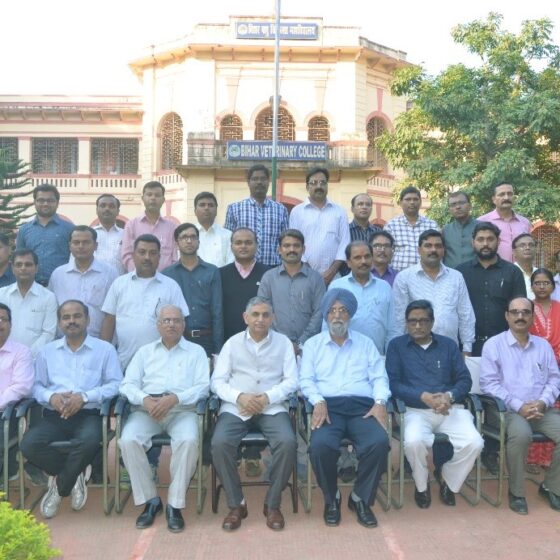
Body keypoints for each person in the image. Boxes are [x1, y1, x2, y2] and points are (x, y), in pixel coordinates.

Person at [20, 300, 122, 519]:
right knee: (28, 444)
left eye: (77, 316)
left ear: (87, 319)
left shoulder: (104, 349)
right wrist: (52, 397)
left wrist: (84, 397)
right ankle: (74, 474)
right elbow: (35, 386)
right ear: (59, 323)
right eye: (66, 317)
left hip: (89, 414)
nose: (71, 321)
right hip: (54, 414)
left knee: (89, 441)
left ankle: (59, 486)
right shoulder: (47, 352)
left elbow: (115, 384)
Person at [300, 289, 390, 528]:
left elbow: (379, 378)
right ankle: (332, 498)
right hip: (328, 407)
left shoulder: (366, 343)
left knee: (379, 443)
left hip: (362, 408)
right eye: (332, 311)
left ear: (350, 315)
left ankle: (360, 498)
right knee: (320, 447)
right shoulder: (313, 345)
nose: (337, 316)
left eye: (342, 311)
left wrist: (380, 402)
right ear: (325, 316)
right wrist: (318, 400)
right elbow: (306, 380)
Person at [118, 305, 209, 533]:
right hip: (147, 410)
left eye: (176, 320)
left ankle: (174, 505)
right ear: (158, 325)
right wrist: (145, 400)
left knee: (188, 440)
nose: (171, 324)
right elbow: (127, 384)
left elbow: (203, 387)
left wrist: (175, 398)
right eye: (166, 320)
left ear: (184, 325)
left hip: (182, 410)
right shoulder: (144, 352)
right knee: (128, 440)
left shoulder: (196, 352)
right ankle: (151, 501)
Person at [211, 297, 298, 531]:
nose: (260, 319)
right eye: (255, 314)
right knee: (219, 444)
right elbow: (217, 382)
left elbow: (292, 381)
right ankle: (236, 504)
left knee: (288, 442)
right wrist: (240, 396)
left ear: (273, 318)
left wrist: (267, 397)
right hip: (237, 408)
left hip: (272, 407)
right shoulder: (232, 343)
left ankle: (272, 504)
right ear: (245, 317)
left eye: (265, 315)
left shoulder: (283, 343)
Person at [386, 300, 483, 508]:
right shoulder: (396, 346)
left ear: (432, 322)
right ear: (406, 323)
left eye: (423, 321)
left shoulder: (448, 345)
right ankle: (422, 485)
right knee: (413, 442)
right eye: (412, 321)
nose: (417, 326)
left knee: (475, 443)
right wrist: (422, 396)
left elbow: (464, 380)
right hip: (414, 410)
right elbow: (393, 384)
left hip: (450, 409)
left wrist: (449, 396)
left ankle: (448, 479)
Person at [480, 296, 560, 515]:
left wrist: (543, 402)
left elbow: (555, 379)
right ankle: (516, 492)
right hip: (506, 410)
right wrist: (518, 405)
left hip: (540, 409)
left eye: (525, 312)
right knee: (521, 434)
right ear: (507, 316)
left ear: (532, 317)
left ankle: (551, 487)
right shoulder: (494, 345)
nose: (520, 316)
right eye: (515, 312)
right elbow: (488, 384)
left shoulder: (543, 346)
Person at [101, 234, 189, 370]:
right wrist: (103, 359)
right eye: (142, 252)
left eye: (152, 253)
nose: (147, 257)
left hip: (162, 363)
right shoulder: (119, 284)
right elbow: (109, 321)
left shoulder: (171, 286)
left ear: (159, 257)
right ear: (133, 255)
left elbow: (180, 324)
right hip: (124, 362)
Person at [393, 230, 475, 353]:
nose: (433, 250)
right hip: (414, 350)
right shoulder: (404, 278)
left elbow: (466, 314)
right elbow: (398, 318)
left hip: (449, 350)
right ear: (419, 250)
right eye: (428, 246)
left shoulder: (456, 277)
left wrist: (467, 348)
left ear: (443, 250)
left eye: (438, 246)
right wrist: (399, 351)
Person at [457, 222, 527, 357]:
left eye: (490, 239)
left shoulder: (512, 272)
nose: (485, 244)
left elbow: (519, 309)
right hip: (468, 347)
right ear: (473, 242)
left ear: (498, 241)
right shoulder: (460, 272)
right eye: (480, 239)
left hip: (505, 346)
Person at [257, 228, 325, 356]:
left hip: (309, 347)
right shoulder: (269, 278)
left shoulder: (316, 278)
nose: (291, 250)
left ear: (303, 249)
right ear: (279, 249)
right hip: (274, 346)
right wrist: (281, 342)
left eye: (296, 246)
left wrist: (301, 343)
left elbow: (319, 312)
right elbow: (263, 311)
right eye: (287, 246)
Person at [162, 223, 224, 357]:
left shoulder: (212, 272)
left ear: (198, 242)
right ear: (177, 243)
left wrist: (218, 351)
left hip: (206, 341)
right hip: (177, 341)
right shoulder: (167, 274)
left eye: (193, 237)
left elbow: (217, 312)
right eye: (184, 237)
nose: (189, 241)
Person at [328, 241, 397, 355]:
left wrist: (390, 356)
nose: (363, 261)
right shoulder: (337, 286)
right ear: (348, 262)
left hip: (377, 356)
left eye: (367, 256)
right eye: (357, 258)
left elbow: (392, 327)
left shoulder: (384, 287)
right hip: (343, 356)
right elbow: (327, 325)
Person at [49, 226, 119, 338]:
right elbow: (52, 310)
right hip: (63, 341)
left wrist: (104, 344)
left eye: (86, 242)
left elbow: (112, 313)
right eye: (76, 242)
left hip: (98, 341)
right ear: (70, 246)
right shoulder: (58, 274)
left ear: (96, 245)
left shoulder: (110, 273)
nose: (81, 246)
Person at [289, 167, 350, 285]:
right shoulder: (297, 212)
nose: (319, 186)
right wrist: (309, 272)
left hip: (334, 277)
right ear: (307, 187)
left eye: (322, 182)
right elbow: (294, 243)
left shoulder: (339, 211)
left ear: (327, 185)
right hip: (304, 275)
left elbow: (345, 243)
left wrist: (331, 272)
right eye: (314, 182)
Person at [525, 269, 560, 471]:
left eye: (546, 283)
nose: (542, 286)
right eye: (537, 283)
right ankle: (532, 459)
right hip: (533, 367)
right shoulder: (526, 309)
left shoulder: (559, 307)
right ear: (532, 286)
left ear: (553, 286)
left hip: (558, 367)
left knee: (555, 413)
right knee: (536, 408)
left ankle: (550, 459)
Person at [224, 165, 288, 267]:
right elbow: (228, 241)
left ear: (268, 182)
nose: (259, 182)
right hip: (244, 268)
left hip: (273, 267)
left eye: (263, 179)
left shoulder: (280, 210)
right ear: (248, 182)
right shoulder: (234, 209)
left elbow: (285, 241)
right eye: (255, 179)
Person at [0, 250, 57, 357]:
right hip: (4, 358)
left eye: (28, 264)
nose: (23, 268)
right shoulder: (1, 295)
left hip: (36, 359)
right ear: (12, 269)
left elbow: (48, 333)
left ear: (36, 268)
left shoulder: (48, 297)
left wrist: (26, 355)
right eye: (19, 264)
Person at [0, 303, 34, 481]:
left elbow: (22, 386)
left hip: (6, 413)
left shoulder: (21, 352)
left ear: (10, 325)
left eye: (2, 319)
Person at [16, 184, 74, 286]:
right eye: (41, 200)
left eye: (50, 200)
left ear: (57, 203)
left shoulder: (70, 229)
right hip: (31, 285)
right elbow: (19, 258)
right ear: (35, 202)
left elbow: (75, 258)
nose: (45, 204)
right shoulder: (24, 230)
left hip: (61, 285)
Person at [220, 228, 269, 342]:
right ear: (231, 246)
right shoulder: (220, 274)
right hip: (228, 340)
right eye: (238, 243)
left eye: (248, 242)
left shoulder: (268, 274)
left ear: (256, 245)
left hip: (260, 339)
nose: (243, 246)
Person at [121, 181, 177, 272]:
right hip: (138, 278)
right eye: (149, 194)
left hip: (165, 278)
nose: (153, 198)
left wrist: (165, 277)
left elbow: (174, 258)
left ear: (163, 200)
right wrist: (140, 274)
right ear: (143, 198)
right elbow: (126, 255)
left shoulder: (172, 228)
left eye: (157, 195)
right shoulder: (131, 225)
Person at [383, 186, 438, 272]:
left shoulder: (431, 225)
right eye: (408, 199)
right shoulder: (391, 226)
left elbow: (438, 251)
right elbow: (385, 252)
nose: (412, 202)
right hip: (398, 275)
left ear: (420, 202)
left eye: (415, 199)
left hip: (426, 275)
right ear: (401, 203)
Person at [478, 183, 531, 262]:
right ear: (494, 199)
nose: (506, 197)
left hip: (520, 268)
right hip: (494, 268)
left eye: (510, 194)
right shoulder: (482, 221)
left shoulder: (524, 222)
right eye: (501, 194)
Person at [339, 194, 381, 276]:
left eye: (368, 204)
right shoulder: (345, 231)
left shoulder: (378, 232)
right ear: (352, 209)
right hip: (348, 277)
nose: (364, 207)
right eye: (360, 204)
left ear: (371, 209)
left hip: (374, 277)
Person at [194, 191, 234, 267]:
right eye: (202, 205)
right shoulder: (188, 236)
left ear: (216, 211)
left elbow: (230, 263)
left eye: (210, 205)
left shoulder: (228, 235)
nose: (206, 208)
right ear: (195, 211)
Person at [442, 191, 478, 269]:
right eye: (453, 204)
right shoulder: (445, 230)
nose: (458, 207)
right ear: (449, 209)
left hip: (476, 273)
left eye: (461, 203)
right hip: (450, 274)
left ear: (470, 206)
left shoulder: (481, 228)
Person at [93, 194, 125, 275]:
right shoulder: (89, 234)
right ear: (96, 210)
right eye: (103, 206)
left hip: (120, 281)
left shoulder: (126, 234)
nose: (107, 209)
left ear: (118, 211)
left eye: (111, 206)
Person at [512, 233, 537, 299]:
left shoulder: (540, 273)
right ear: (514, 252)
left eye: (531, 245)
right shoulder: (507, 273)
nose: (527, 248)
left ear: (536, 250)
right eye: (522, 245)